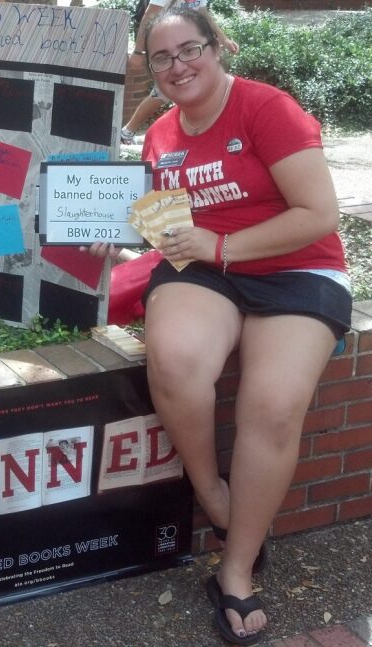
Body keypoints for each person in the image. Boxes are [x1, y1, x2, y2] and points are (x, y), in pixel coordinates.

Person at [94, 8, 350, 645]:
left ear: (219, 47)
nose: (178, 66)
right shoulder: (160, 134)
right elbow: (171, 229)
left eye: (190, 50)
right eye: (162, 58)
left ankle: (235, 569)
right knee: (175, 357)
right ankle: (213, 494)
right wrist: (117, 239)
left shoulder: (268, 109)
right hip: (205, 269)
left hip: (296, 268)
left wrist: (223, 246)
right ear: (148, 69)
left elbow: (319, 213)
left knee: (273, 402)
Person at [120, 0, 238, 145]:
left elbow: (202, 13)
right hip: (168, 46)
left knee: (194, 89)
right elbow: (149, 17)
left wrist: (223, 39)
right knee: (162, 94)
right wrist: (138, 52)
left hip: (189, 47)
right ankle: (127, 131)